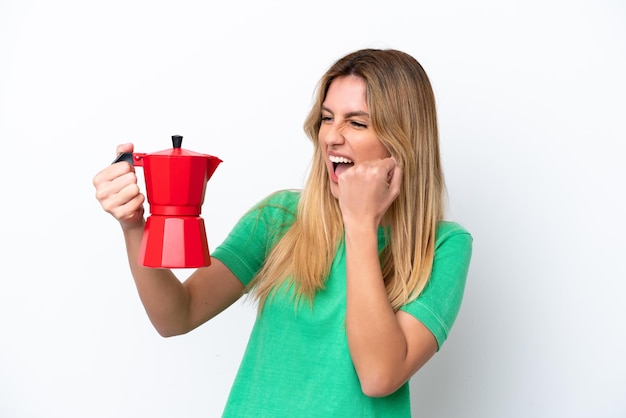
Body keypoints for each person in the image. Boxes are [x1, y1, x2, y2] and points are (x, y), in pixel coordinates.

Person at [93, 48, 473, 417]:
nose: (332, 137)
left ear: (403, 141)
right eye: (327, 118)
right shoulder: (279, 218)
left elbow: (378, 376)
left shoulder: (444, 246)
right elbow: (176, 316)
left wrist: (360, 222)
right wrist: (133, 225)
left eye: (356, 123)